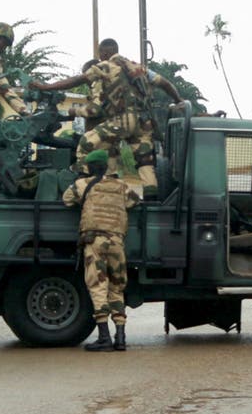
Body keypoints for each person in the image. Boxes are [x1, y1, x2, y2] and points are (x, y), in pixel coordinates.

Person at [30, 38, 183, 197]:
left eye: (101, 54)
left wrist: (46, 86)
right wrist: (179, 100)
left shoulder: (106, 66)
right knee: (145, 162)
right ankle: (151, 200)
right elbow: (165, 83)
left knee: (86, 142)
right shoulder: (139, 68)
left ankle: (81, 183)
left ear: (104, 53)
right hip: (144, 123)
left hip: (123, 120)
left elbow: (77, 80)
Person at [62, 149, 141, 352]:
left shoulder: (83, 184)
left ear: (89, 167)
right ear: (106, 166)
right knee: (117, 287)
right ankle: (120, 337)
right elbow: (135, 201)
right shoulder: (121, 186)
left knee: (98, 286)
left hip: (95, 241)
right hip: (116, 242)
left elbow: (67, 199)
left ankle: (104, 337)